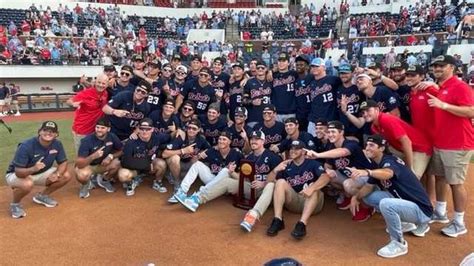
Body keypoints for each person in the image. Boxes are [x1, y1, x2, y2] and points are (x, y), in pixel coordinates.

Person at [177, 130, 282, 234]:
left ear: (263, 141)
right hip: (251, 188)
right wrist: (232, 173)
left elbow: (281, 178)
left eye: (257, 139)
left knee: (271, 185)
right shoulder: (249, 157)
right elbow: (243, 178)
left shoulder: (272, 156)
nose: (253, 141)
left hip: (267, 191)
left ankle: (253, 216)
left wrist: (264, 183)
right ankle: (197, 199)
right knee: (227, 181)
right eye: (252, 139)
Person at [349, 135, 433, 258]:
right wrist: (355, 197)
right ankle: (405, 223)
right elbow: (367, 187)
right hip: (406, 203)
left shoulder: (390, 161)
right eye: (366, 145)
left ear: (382, 148)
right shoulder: (378, 165)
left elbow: (388, 173)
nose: (367, 148)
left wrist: (367, 172)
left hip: (421, 210)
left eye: (372, 145)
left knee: (386, 204)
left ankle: (399, 243)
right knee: (369, 197)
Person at [427, 55, 474, 237]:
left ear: (452, 68)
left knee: (456, 183)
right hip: (442, 142)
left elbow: (471, 111)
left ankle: (459, 222)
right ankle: (440, 212)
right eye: (435, 66)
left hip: (458, 143)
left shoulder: (460, 87)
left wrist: (443, 105)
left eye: (441, 66)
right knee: (440, 178)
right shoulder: (442, 87)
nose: (437, 69)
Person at [306, 121, 376, 221]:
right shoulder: (331, 146)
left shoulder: (351, 144)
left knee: (348, 184)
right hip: (349, 176)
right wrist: (328, 170)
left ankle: (367, 206)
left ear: (341, 132)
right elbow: (327, 164)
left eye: (333, 132)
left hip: (366, 177)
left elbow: (343, 152)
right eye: (329, 132)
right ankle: (348, 196)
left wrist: (318, 155)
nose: (330, 134)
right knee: (328, 176)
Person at [5, 121, 71, 219]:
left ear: (56, 134)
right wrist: (33, 168)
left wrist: (57, 174)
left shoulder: (57, 144)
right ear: (39, 132)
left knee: (65, 175)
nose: (48, 133)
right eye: (45, 130)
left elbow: (63, 162)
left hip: (40, 173)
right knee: (27, 184)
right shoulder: (26, 146)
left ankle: (42, 196)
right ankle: (15, 205)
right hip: (17, 174)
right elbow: (18, 172)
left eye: (52, 131)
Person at [266, 140, 330, 239]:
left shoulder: (313, 163)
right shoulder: (286, 165)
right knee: (280, 182)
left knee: (314, 188)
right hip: (295, 201)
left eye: (297, 149)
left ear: (304, 151)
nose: (293, 151)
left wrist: (311, 188)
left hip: (313, 203)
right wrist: (276, 169)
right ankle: (278, 220)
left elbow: (326, 177)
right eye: (291, 148)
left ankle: (302, 224)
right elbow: (268, 181)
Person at [360, 100, 432, 179]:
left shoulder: (385, 119)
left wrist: (409, 166)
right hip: (402, 149)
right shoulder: (374, 127)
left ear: (377, 110)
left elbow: (406, 142)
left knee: (411, 178)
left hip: (419, 148)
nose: (365, 114)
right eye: (363, 113)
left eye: (368, 110)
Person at [172, 131, 243, 201]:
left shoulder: (237, 154)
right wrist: (198, 157)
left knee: (226, 170)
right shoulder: (212, 151)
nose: (221, 141)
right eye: (220, 139)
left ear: (230, 142)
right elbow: (194, 162)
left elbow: (242, 174)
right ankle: (182, 192)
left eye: (224, 139)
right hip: (212, 180)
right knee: (197, 164)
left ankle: (199, 195)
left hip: (225, 184)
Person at [161, 118, 211, 202]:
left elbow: (210, 150)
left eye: (194, 128)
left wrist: (199, 155)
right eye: (189, 127)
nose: (191, 130)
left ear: (198, 130)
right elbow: (164, 154)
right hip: (177, 166)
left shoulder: (201, 139)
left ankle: (184, 182)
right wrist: (183, 151)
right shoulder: (181, 137)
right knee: (174, 158)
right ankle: (177, 184)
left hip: (188, 167)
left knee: (203, 164)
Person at [117, 118, 170, 196]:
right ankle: (131, 182)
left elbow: (169, 137)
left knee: (161, 164)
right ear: (138, 129)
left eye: (147, 129)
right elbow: (125, 162)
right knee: (122, 174)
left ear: (152, 129)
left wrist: (178, 130)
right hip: (135, 169)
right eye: (142, 129)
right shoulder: (131, 141)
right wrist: (146, 165)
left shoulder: (157, 137)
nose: (144, 131)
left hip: (150, 165)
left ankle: (158, 182)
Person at [74, 118, 123, 198]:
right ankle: (85, 185)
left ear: (108, 129)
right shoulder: (86, 140)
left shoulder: (112, 137)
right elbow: (79, 164)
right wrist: (93, 156)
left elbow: (121, 150)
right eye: (97, 127)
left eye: (102, 128)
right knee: (82, 175)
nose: (99, 130)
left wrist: (111, 156)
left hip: (102, 164)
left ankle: (104, 180)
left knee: (118, 162)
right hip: (88, 166)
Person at [68, 73, 109, 151]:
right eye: (99, 82)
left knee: (93, 154)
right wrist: (73, 103)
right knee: (82, 157)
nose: (101, 85)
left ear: (107, 85)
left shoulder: (105, 93)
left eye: (103, 83)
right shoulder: (85, 93)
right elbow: (69, 101)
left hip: (96, 130)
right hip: (82, 130)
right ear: (95, 82)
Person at [307, 58, 342, 136]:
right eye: (312, 66)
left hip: (329, 119)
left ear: (324, 68)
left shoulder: (333, 79)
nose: (314, 68)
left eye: (317, 66)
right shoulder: (311, 82)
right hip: (314, 120)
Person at [243, 61, 272, 128]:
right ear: (255, 69)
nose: (260, 69)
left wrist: (270, 72)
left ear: (266, 69)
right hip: (253, 117)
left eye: (262, 68)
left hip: (268, 117)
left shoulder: (270, 81)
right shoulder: (249, 82)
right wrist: (252, 102)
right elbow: (244, 100)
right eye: (258, 68)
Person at [271, 52, 298, 122]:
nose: (281, 63)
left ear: (288, 63)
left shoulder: (294, 74)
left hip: (291, 112)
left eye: (284, 61)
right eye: (279, 61)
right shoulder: (272, 75)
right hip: (276, 113)